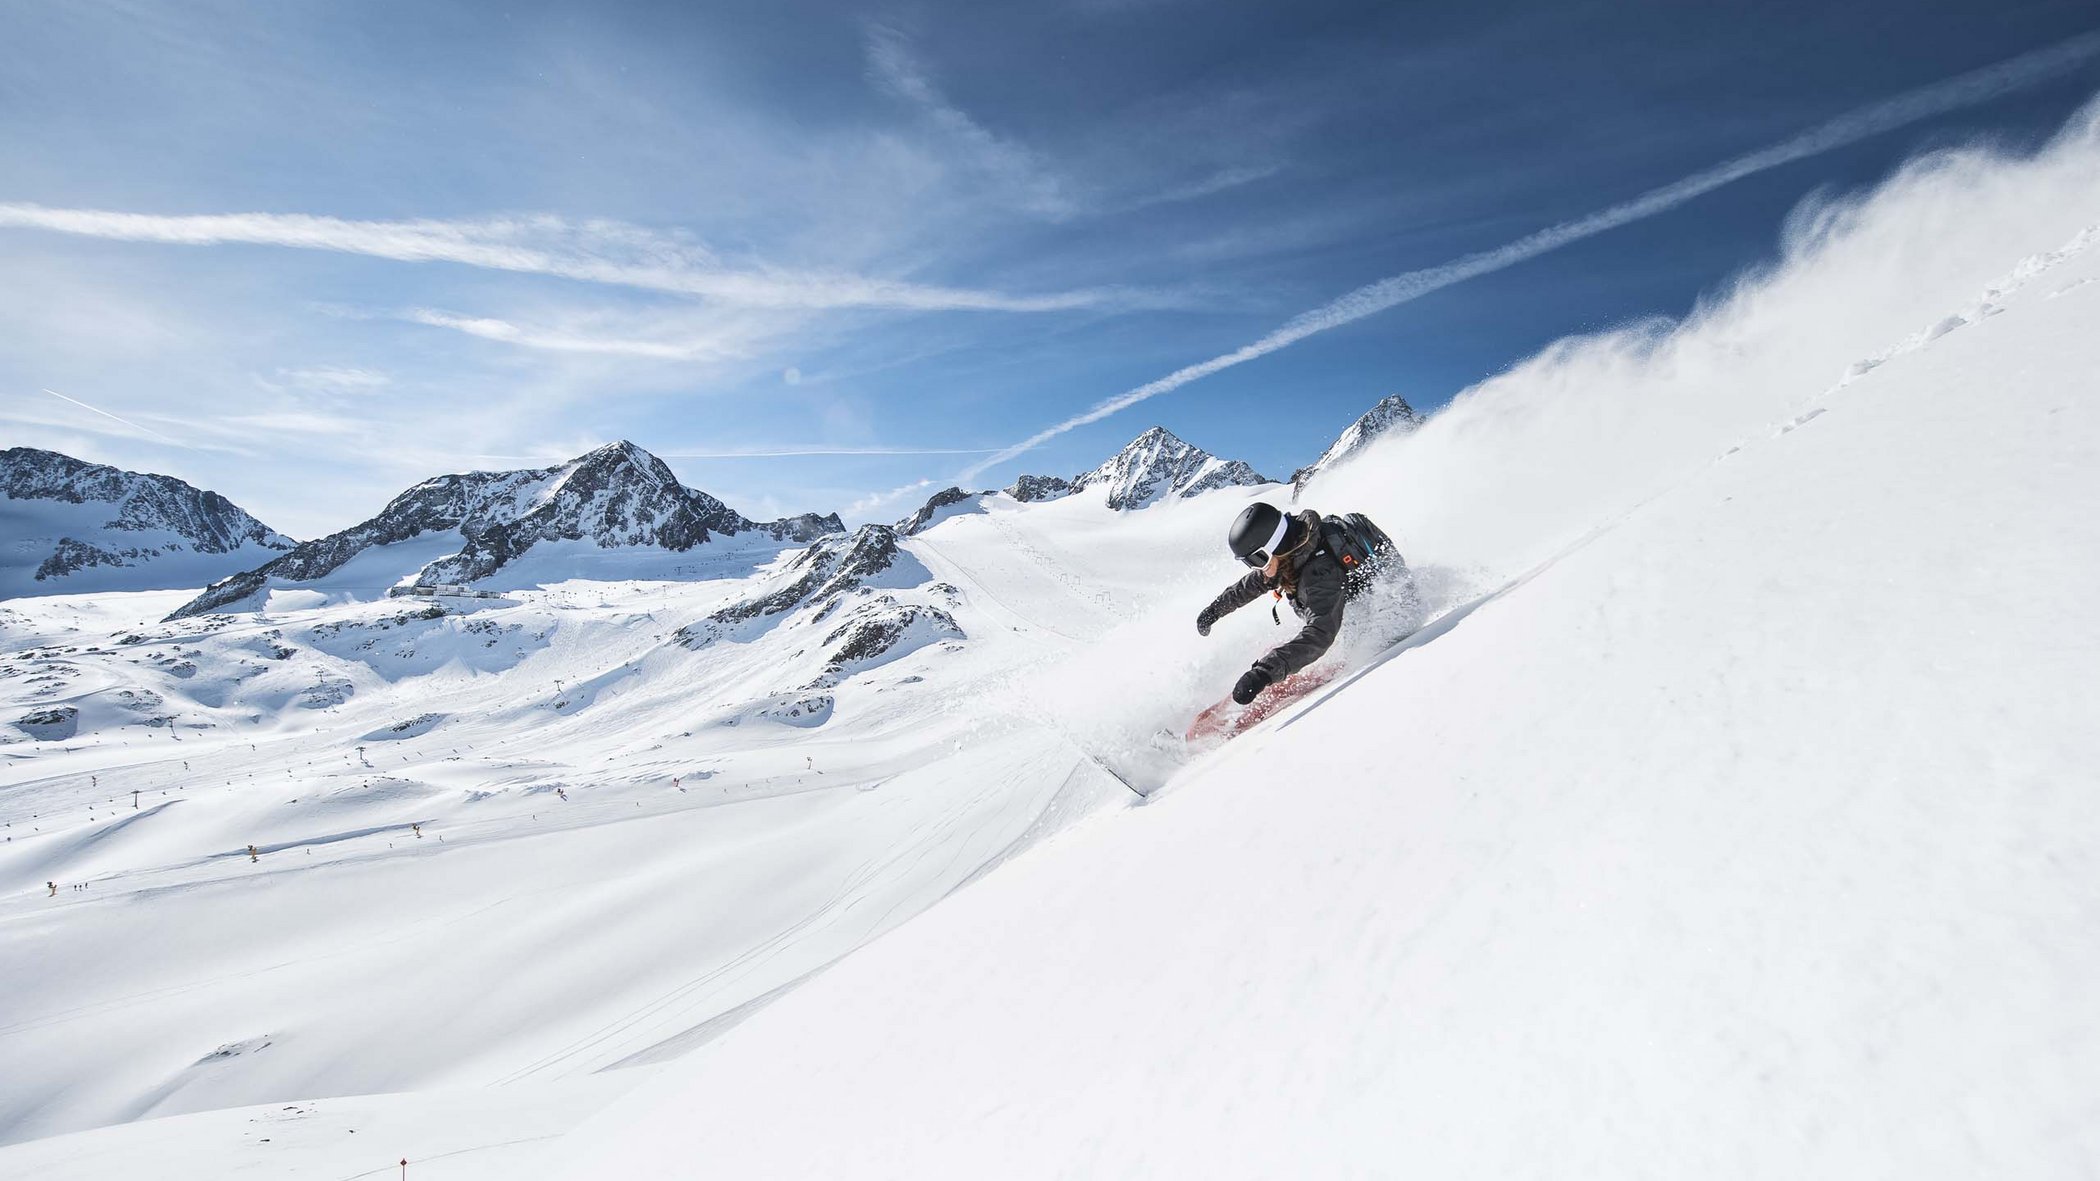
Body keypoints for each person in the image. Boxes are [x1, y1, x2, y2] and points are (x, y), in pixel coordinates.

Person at [1195, 502, 1378, 706]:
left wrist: (1262, 674)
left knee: (1282, 678)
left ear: (1275, 547)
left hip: (1366, 632)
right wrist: (1215, 610)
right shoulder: (1291, 555)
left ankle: (1229, 723)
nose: (1257, 569)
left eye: (1257, 560)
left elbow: (1320, 634)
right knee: (1274, 656)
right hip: (1343, 622)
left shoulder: (1319, 573)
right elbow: (1251, 585)